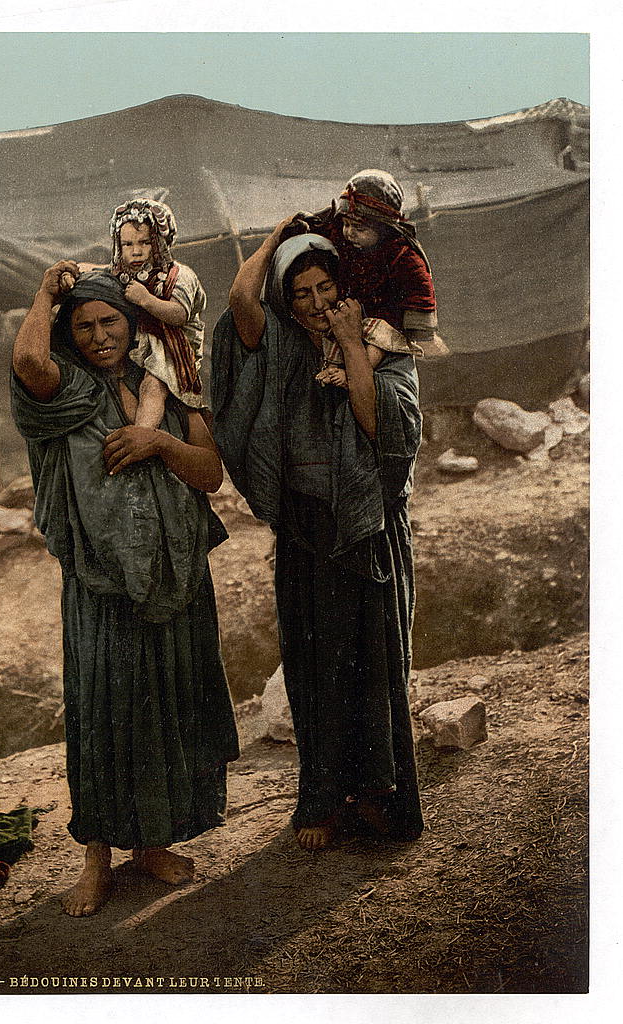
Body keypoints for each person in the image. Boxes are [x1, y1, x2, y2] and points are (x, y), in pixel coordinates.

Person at [11, 261, 239, 916]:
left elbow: (208, 474)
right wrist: (44, 294)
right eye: (82, 325)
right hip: (101, 585)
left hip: (174, 573)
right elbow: (28, 361)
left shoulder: (167, 383)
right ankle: (96, 858)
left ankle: (151, 845)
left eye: (109, 320)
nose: (98, 335)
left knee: (164, 709)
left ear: (131, 321)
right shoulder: (64, 391)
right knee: (106, 714)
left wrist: (155, 442)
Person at [211, 225, 424, 852]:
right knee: (315, 667)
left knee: (374, 667)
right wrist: (283, 232)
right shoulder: (280, 346)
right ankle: (324, 800)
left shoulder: (388, 347)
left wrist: (354, 343)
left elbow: (377, 421)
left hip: (369, 531)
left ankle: (382, 798)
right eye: (299, 290)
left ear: (345, 288)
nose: (313, 301)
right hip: (308, 531)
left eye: (325, 286)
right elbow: (240, 302)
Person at [290, 167, 448, 386]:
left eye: (359, 228)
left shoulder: (401, 254)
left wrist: (416, 322)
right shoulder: (344, 237)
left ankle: (355, 373)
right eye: (346, 224)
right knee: (333, 328)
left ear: (383, 228)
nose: (349, 232)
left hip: (386, 315)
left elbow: (418, 287)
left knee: (379, 338)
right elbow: (326, 228)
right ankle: (333, 367)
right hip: (352, 307)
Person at [108, 198, 208, 429]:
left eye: (144, 243)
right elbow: (95, 271)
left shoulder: (179, 275)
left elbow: (179, 314)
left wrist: (146, 299)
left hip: (172, 347)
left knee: (152, 386)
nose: (136, 252)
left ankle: (142, 436)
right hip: (137, 346)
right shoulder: (123, 273)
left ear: (159, 243)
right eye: (127, 244)